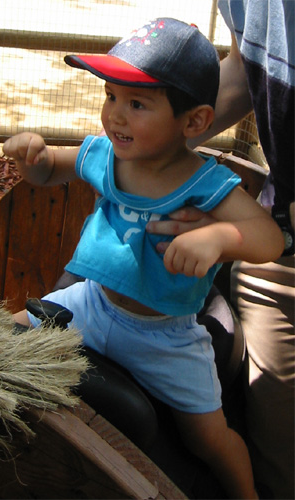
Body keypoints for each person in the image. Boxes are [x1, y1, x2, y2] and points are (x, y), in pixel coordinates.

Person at [3, 18, 284, 499]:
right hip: (93, 305)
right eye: (111, 96)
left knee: (208, 439)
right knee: (2, 334)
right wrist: (35, 158)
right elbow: (50, 171)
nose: (115, 115)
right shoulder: (106, 156)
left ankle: (247, 493)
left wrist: (218, 237)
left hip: (164, 336)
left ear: (193, 122)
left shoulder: (204, 182)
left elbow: (269, 239)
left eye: (136, 104)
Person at [146, 2, 294, 499]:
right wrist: (151, 143)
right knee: (277, 456)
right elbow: (244, 69)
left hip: (275, 236)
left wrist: (226, 235)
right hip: (281, 251)